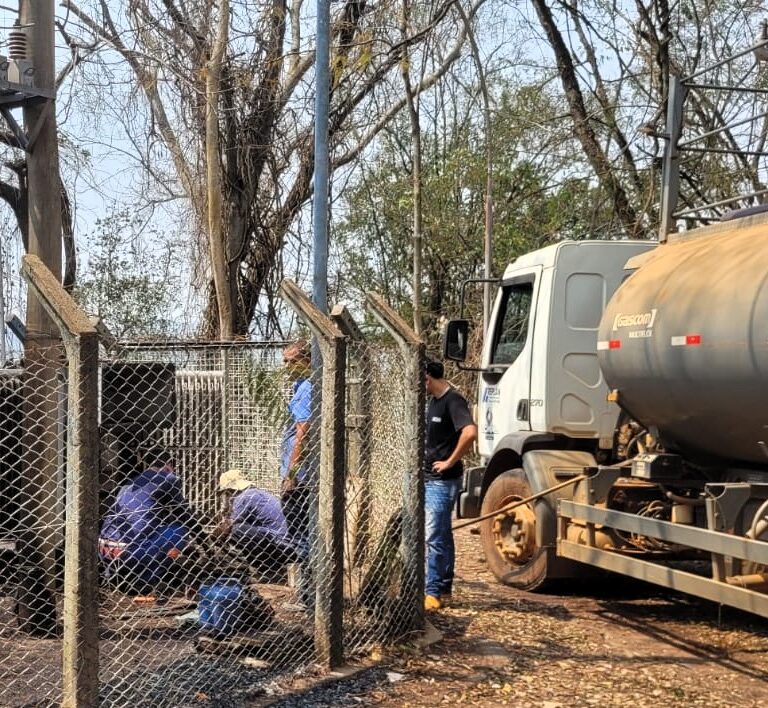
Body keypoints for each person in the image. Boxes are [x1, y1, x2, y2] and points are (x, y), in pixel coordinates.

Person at [99, 447, 200, 596]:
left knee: (158, 530)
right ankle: (147, 579)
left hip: (104, 548)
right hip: (131, 552)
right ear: (168, 465)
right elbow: (184, 514)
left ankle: (116, 577)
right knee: (179, 530)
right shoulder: (168, 478)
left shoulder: (130, 483)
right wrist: (204, 542)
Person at [423, 359, 477, 611]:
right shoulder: (432, 403)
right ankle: (444, 587)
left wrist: (449, 461)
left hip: (442, 481)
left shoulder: (453, 400)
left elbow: (469, 432)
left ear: (427, 377)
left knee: (434, 535)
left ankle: (432, 592)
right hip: (429, 478)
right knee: (443, 533)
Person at [279, 339, 314, 605]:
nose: (288, 367)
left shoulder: (308, 388)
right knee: (303, 533)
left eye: (293, 361)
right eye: (285, 362)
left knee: (301, 535)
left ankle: (309, 595)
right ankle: (309, 594)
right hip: (304, 476)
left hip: (300, 479)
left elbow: (303, 431)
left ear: (307, 361)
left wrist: (291, 474)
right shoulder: (300, 385)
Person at [214, 469, 296, 580]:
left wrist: (215, 538)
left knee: (237, 530)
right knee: (241, 529)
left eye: (226, 493)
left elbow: (229, 525)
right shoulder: (256, 493)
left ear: (230, 490)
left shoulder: (243, 497)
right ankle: (271, 567)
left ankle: (268, 568)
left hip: (280, 544)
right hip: (289, 543)